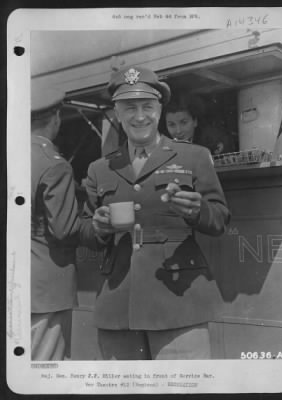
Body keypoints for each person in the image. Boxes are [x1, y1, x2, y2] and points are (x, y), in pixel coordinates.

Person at [80, 66, 231, 360]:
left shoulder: (195, 156)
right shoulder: (99, 169)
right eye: (129, 108)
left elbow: (220, 219)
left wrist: (198, 210)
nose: (139, 116)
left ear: (159, 110)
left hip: (178, 303)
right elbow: (85, 231)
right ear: (117, 113)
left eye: (147, 106)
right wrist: (97, 228)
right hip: (118, 305)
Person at [31, 82, 80, 360]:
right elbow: (64, 229)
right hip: (46, 289)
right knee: (46, 371)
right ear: (56, 118)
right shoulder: (54, 163)